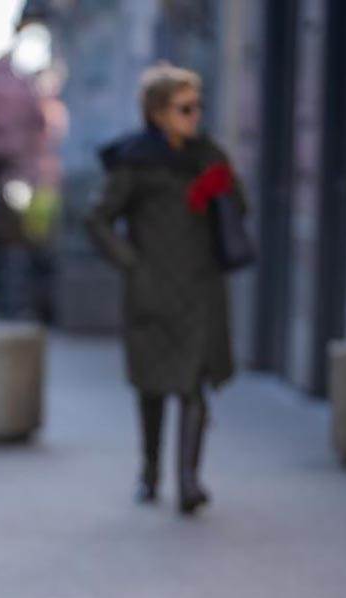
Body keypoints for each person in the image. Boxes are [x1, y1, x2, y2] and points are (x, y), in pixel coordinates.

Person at [85, 63, 245, 514]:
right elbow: (97, 219)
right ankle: (150, 471)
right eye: (185, 108)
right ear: (158, 112)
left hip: (200, 289)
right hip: (152, 291)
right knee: (153, 386)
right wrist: (131, 264)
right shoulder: (134, 162)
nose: (195, 116)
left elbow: (240, 209)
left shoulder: (209, 154)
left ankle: (189, 482)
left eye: (198, 107)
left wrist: (222, 186)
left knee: (194, 384)